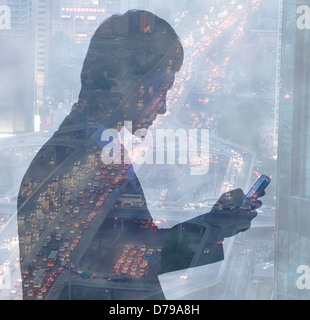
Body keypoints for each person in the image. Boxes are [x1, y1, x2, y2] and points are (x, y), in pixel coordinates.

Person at [17, 10, 264, 300]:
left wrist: (215, 224)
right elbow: (115, 277)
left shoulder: (92, 149)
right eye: (161, 89)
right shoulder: (83, 163)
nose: (163, 107)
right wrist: (214, 226)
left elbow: (132, 257)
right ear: (124, 81)